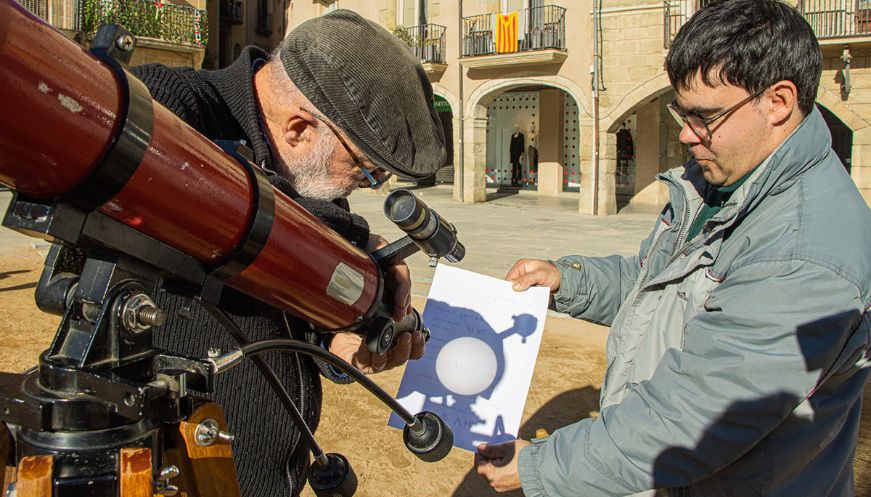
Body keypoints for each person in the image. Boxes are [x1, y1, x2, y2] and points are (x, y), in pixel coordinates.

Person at [476, 1, 871, 496]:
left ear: (778, 102)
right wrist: (567, 280)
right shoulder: (716, 181)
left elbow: (688, 418)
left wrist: (540, 464)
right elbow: (657, 285)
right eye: (680, 113)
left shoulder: (801, 253)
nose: (686, 135)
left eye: (704, 117)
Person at [131, 9, 446, 496]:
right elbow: (192, 178)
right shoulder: (176, 101)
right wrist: (349, 243)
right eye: (365, 171)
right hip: (160, 471)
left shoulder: (309, 178)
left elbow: (301, 325)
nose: (362, 189)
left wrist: (343, 342)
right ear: (299, 128)